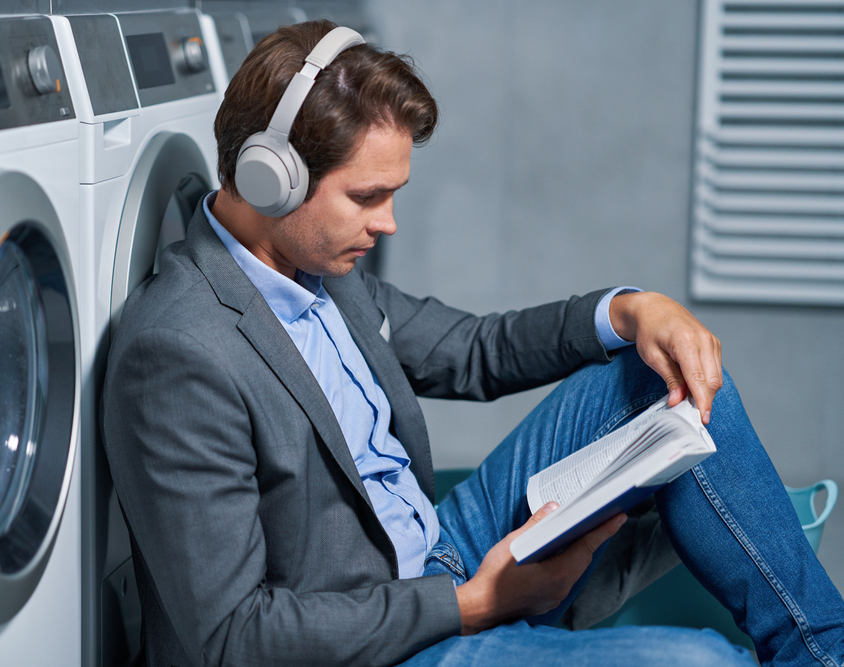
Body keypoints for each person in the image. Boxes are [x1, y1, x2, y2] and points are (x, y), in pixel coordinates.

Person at [100, 19, 844, 667]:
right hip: (382, 634)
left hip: (440, 549)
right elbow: (235, 638)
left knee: (658, 376)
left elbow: (476, 348)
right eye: (367, 196)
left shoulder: (322, 268)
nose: (387, 223)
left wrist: (630, 310)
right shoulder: (177, 353)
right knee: (700, 659)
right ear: (273, 181)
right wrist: (470, 605)